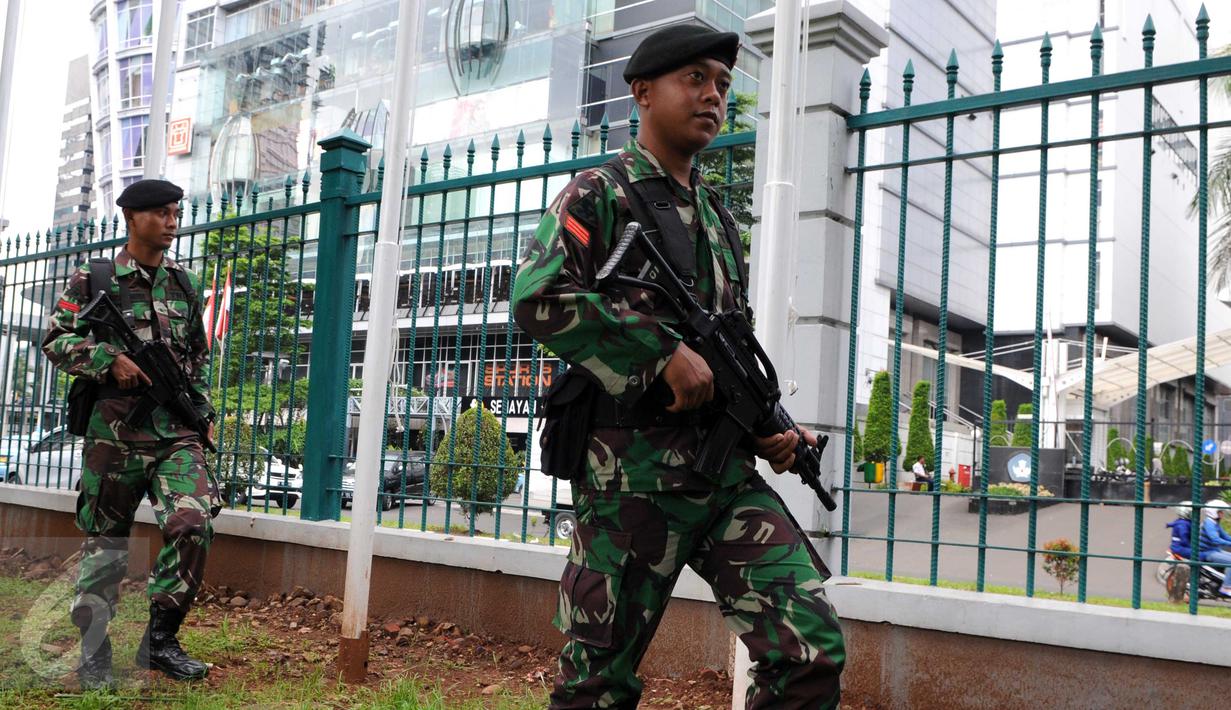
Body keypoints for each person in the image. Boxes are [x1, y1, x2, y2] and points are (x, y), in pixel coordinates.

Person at [512, 24, 844, 709]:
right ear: (642, 92)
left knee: (808, 648)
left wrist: (767, 430)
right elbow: (536, 297)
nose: (713, 95)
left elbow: (725, 352)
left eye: (721, 83)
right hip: (629, 482)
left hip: (721, 479)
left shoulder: (718, 219)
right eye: (694, 78)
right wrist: (657, 352)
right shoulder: (599, 193)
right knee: (596, 686)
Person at [43, 179, 217, 688]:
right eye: (161, 212)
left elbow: (197, 356)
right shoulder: (94, 278)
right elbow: (56, 339)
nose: (171, 221)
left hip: (174, 433)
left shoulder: (184, 284)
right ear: (131, 218)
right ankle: (94, 648)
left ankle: (160, 641)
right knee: (106, 546)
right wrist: (107, 359)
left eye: (175, 212)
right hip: (113, 437)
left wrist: (200, 409)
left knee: (193, 523)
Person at [1197, 499, 1231, 597]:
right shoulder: (1209, 524)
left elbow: (1225, 536)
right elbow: (1215, 539)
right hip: (1207, 552)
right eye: (1220, 511)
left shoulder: (1215, 523)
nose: (1222, 514)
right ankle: (1226, 587)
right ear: (1213, 512)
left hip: (1214, 550)